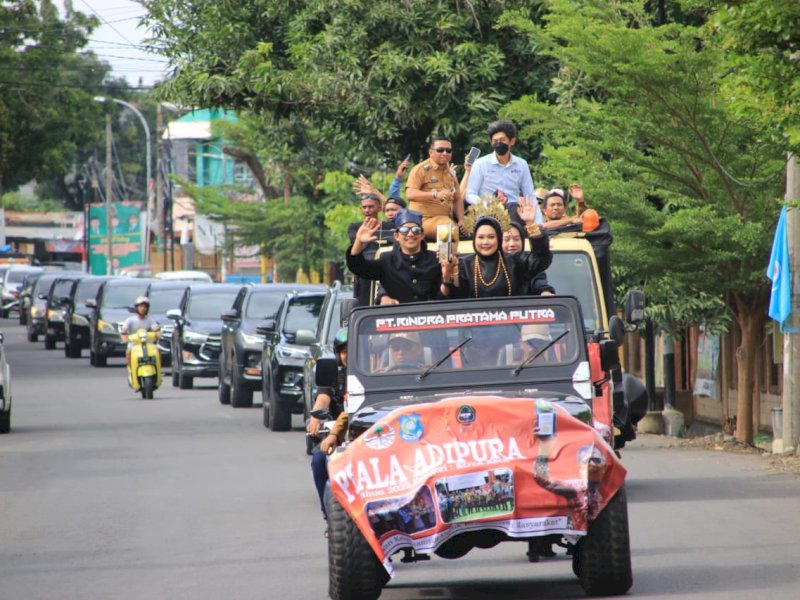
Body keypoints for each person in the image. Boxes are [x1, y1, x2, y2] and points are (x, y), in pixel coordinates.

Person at [443, 197, 551, 298]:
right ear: (475, 239)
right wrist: (448, 272)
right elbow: (450, 298)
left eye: (491, 237)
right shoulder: (464, 265)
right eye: (481, 237)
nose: (485, 242)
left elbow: (540, 260)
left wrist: (531, 224)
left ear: (499, 239)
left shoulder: (515, 261)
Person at [346, 209, 454, 304]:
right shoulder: (387, 260)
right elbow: (358, 267)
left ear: (422, 235)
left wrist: (447, 277)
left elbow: (444, 299)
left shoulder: (436, 259)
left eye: (415, 230)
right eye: (404, 230)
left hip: (432, 320)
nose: (410, 234)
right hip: (397, 322)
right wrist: (359, 241)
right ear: (396, 236)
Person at [465, 120, 543, 225]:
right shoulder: (480, 164)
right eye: (495, 141)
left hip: (514, 212)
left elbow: (529, 195)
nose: (498, 144)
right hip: (488, 212)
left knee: (514, 207)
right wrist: (488, 204)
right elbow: (470, 194)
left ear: (512, 141)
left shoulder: (521, 164)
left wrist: (539, 223)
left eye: (502, 140)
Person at [308, 328, 348, 531]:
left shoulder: (377, 373)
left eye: (354, 350)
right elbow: (323, 398)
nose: (348, 355)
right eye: (344, 351)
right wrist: (316, 415)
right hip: (341, 440)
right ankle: (329, 518)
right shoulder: (334, 376)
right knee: (318, 461)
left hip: (374, 437)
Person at [405, 136, 465, 241]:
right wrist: (434, 194)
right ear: (431, 152)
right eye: (440, 150)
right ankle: (444, 257)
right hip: (423, 220)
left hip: (446, 219)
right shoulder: (421, 170)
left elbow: (457, 199)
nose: (445, 153)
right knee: (448, 229)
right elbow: (410, 194)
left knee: (477, 226)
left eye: (448, 150)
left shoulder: (450, 173)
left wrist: (461, 220)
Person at [347, 194, 394, 306]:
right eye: (364, 207)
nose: (367, 210)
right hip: (366, 268)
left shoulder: (390, 227)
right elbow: (357, 248)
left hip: (388, 266)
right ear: (361, 209)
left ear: (379, 208)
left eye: (371, 207)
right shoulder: (355, 227)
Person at [502, 222, 555, 296]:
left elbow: (538, 280)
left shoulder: (528, 263)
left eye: (516, 239)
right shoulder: (492, 265)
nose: (512, 244)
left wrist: (544, 291)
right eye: (506, 239)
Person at [120, 296, 160, 370]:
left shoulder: (150, 319)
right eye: (141, 306)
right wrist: (124, 338)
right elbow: (124, 331)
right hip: (134, 344)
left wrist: (158, 334)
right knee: (129, 352)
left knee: (157, 351)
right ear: (136, 308)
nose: (143, 308)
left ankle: (158, 368)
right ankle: (131, 368)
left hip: (148, 344)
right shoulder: (130, 320)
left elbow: (155, 329)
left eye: (145, 307)